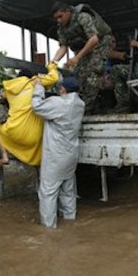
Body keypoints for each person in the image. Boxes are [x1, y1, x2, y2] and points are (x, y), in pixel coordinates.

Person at [31, 76, 85, 228]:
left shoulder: (58, 103)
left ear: (63, 90)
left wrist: (39, 88)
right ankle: (70, 220)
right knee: (68, 190)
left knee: (48, 192)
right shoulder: (80, 104)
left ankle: (49, 229)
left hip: (56, 156)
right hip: (71, 155)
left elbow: (36, 107)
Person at [50, 2, 112, 115]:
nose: (58, 20)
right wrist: (53, 62)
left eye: (60, 16)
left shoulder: (82, 16)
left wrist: (77, 58)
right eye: (56, 18)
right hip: (85, 49)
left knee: (93, 73)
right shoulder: (62, 28)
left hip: (101, 44)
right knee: (78, 75)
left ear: (68, 12)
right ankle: (89, 105)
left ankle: (87, 110)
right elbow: (63, 46)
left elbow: (94, 39)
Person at [0, 63, 59, 166]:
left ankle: (4, 156)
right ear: (30, 77)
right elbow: (54, 78)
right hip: (34, 136)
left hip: (13, 131)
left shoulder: (9, 89)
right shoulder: (33, 82)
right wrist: (52, 66)